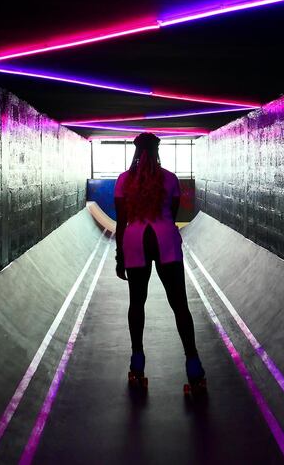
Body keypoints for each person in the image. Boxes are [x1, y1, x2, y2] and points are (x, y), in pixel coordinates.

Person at [114, 132, 205, 388]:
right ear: (157, 151)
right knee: (179, 304)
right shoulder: (169, 178)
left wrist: (120, 258)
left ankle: (137, 361)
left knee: (137, 303)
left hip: (134, 240)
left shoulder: (124, 180)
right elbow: (173, 212)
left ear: (135, 151)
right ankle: (193, 365)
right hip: (165, 238)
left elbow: (122, 222)